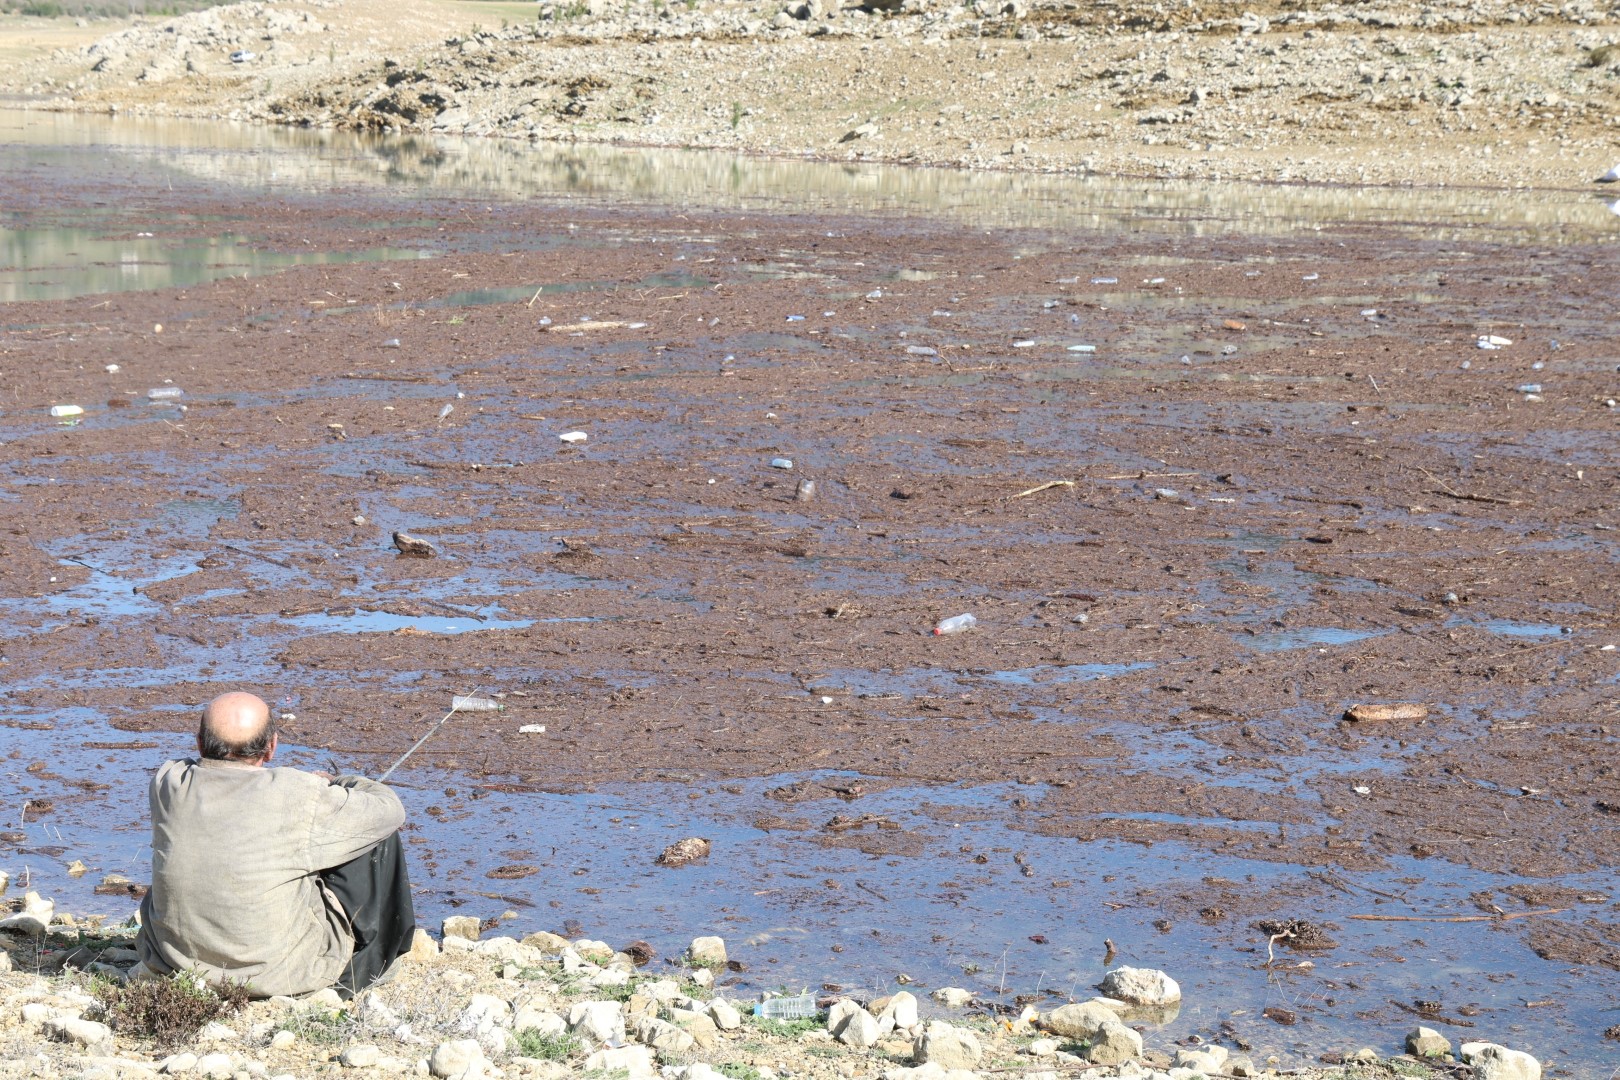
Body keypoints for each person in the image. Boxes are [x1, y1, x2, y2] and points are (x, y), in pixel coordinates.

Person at [135, 691, 416, 998]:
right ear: (271, 747)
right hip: (280, 976)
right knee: (376, 833)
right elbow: (390, 811)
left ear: (199, 743)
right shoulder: (296, 792)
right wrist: (337, 783)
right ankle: (374, 961)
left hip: (178, 963)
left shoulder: (168, 780)